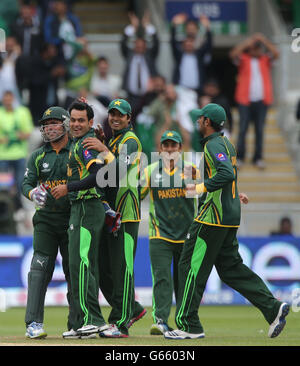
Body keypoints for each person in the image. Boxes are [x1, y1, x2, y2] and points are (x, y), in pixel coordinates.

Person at [164, 103, 290, 340]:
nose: (198, 122)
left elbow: (226, 173)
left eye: (200, 119)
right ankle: (273, 308)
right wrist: (234, 193)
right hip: (229, 216)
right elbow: (227, 176)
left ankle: (189, 325)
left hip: (212, 217)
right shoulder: (226, 144)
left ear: (207, 122)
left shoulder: (213, 144)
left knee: (189, 265)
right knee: (231, 270)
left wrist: (200, 186)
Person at [51, 99, 120, 338]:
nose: (77, 124)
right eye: (74, 120)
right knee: (79, 264)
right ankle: (85, 322)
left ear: (91, 122)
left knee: (81, 263)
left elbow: (100, 175)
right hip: (80, 208)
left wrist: (68, 188)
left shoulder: (87, 144)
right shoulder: (79, 142)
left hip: (88, 206)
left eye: (82, 120)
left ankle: (93, 320)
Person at [82, 98, 146, 337]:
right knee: (105, 269)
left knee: (122, 269)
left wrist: (104, 148)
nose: (115, 118)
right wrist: (104, 142)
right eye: (112, 114)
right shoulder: (116, 139)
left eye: (121, 115)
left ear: (129, 118)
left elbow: (117, 170)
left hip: (126, 213)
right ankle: (134, 308)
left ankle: (121, 323)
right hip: (111, 213)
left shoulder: (130, 140)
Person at [22, 105, 76, 339]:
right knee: (39, 270)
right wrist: (33, 193)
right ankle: (33, 323)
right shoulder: (38, 155)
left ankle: (77, 324)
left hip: (72, 219)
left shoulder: (76, 152)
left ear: (65, 124)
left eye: (54, 123)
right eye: (46, 124)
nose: (49, 128)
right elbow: (25, 184)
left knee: (74, 272)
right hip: (45, 221)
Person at [140, 130, 199, 335]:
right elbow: (136, 195)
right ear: (160, 149)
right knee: (162, 278)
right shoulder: (149, 171)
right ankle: (161, 320)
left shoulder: (191, 171)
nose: (170, 149)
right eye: (166, 145)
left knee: (184, 281)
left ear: (180, 149)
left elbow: (206, 191)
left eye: (174, 145)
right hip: (160, 233)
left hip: (187, 235)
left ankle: (183, 322)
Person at [229, 33, 280, 170]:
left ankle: (258, 157)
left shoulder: (265, 59)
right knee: (243, 129)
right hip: (245, 100)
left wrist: (263, 39)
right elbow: (233, 54)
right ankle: (240, 157)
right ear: (250, 49)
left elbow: (276, 53)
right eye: (254, 48)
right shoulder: (244, 59)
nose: (256, 50)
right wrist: (248, 41)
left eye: (258, 48)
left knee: (259, 130)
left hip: (262, 101)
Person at [0, 90, 33, 213]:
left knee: (20, 184)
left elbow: (29, 132)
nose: (7, 101)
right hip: (3, 155)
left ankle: (18, 208)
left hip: (19, 154)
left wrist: (21, 135)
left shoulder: (22, 112)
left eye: (9, 99)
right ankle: (6, 209)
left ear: (13, 99)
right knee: (4, 186)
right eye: (5, 99)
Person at [120, 11, 160, 112]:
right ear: (134, 46)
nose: (139, 47)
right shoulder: (129, 56)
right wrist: (133, 28)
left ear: (145, 47)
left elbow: (156, 43)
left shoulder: (149, 57)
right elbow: (123, 43)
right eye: (137, 45)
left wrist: (147, 27)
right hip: (131, 96)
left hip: (148, 97)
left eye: (142, 46)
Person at [170, 13, 212, 94]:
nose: (188, 44)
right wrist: (174, 26)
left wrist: (208, 29)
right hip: (180, 90)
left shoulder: (199, 55)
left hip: (197, 90)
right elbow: (173, 42)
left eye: (191, 43)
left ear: (194, 44)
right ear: (183, 45)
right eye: (186, 43)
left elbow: (209, 45)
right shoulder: (179, 55)